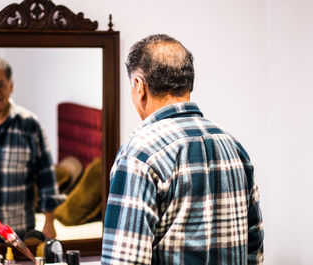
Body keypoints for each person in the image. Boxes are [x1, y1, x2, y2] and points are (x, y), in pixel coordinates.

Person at [101, 34, 264, 264]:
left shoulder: (139, 155)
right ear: (188, 82)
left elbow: (124, 260)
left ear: (139, 86)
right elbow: (254, 250)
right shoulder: (234, 147)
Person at [0, 57, 64, 244]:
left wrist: (49, 222)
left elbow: (46, 176)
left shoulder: (30, 124)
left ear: (11, 86)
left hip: (19, 234)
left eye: (0, 85)